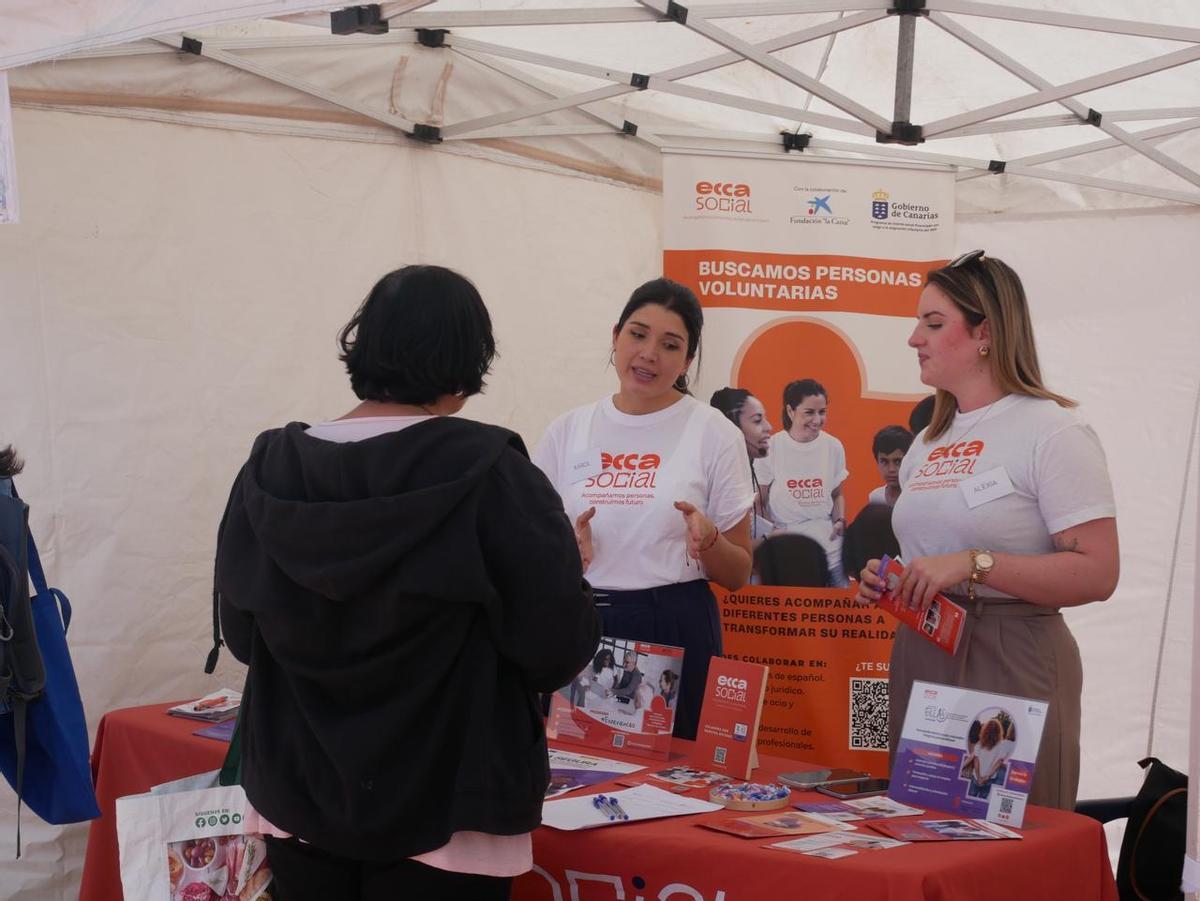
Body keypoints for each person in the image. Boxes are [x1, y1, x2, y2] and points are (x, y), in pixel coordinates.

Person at [214, 264, 600, 900]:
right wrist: (571, 573)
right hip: (450, 805)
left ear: (363, 343)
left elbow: (245, 637)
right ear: (467, 361)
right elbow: (554, 647)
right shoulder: (494, 476)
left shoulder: (269, 473)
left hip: (300, 792)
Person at [854, 250, 1119, 811]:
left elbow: (1099, 571)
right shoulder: (926, 442)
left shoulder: (1053, 432)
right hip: (923, 648)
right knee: (923, 829)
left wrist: (976, 562)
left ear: (986, 333)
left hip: (1012, 652)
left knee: (1009, 842)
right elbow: (928, 552)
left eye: (932, 323)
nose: (913, 339)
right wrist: (892, 579)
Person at [534, 278, 753, 740]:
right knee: (577, 778)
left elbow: (738, 573)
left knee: (674, 785)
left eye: (670, 344)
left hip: (675, 621)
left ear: (687, 360)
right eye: (637, 334)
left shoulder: (713, 432)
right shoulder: (567, 430)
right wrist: (561, 551)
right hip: (581, 623)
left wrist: (709, 539)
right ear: (615, 337)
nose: (649, 353)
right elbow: (528, 553)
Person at [754, 379, 849, 587]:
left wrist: (840, 521)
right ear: (790, 411)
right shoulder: (771, 446)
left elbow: (836, 494)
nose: (817, 420)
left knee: (839, 607)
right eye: (809, 412)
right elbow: (759, 501)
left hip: (829, 546)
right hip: (787, 548)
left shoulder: (833, 446)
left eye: (822, 412)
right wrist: (772, 533)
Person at [710, 387, 774, 541]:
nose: (768, 427)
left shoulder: (745, 468)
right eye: (757, 420)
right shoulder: (719, 477)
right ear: (731, 425)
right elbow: (726, 546)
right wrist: (771, 541)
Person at [866, 425, 913, 506]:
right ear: (877, 462)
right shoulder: (875, 498)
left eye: (898, 461)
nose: (891, 469)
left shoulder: (916, 497)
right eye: (884, 461)